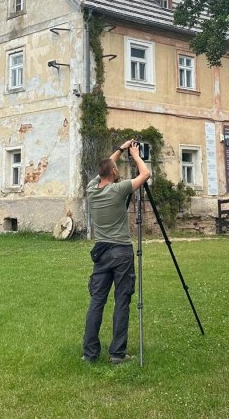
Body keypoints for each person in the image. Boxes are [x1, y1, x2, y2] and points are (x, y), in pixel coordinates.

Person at [82, 139, 151, 364]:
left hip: (101, 253)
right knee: (122, 301)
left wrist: (121, 149)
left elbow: (106, 165)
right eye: (115, 167)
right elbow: (146, 174)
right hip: (121, 252)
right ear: (113, 171)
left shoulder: (92, 190)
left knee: (97, 301)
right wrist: (136, 155)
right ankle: (117, 354)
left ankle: (90, 354)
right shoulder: (118, 190)